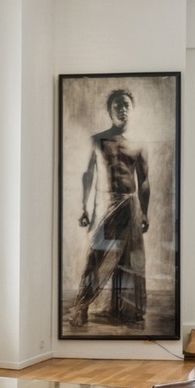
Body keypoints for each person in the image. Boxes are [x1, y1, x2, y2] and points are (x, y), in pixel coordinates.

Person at [69, 88, 150, 329]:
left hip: (130, 205)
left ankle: (126, 310)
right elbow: (88, 174)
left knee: (130, 259)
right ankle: (81, 306)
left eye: (126, 105)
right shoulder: (98, 140)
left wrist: (144, 211)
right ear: (109, 110)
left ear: (132, 110)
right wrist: (83, 206)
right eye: (117, 105)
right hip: (104, 204)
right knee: (96, 255)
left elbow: (144, 181)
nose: (122, 109)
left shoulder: (138, 145)